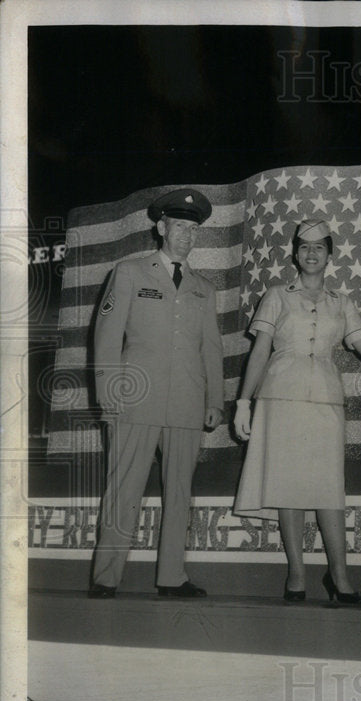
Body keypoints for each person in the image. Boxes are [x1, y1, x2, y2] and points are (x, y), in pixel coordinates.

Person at [232, 219, 361, 603]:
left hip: (326, 400)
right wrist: (243, 401)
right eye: (305, 247)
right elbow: (259, 351)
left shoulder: (342, 302)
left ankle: (339, 577)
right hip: (280, 398)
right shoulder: (277, 295)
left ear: (329, 255)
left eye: (320, 248)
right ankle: (296, 575)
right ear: (295, 253)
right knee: (287, 488)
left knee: (329, 490)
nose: (312, 254)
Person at [89, 188, 224, 598]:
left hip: (186, 401)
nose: (186, 235)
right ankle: (105, 577)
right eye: (179, 226)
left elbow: (211, 348)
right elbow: (107, 336)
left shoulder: (204, 287)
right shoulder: (130, 272)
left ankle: (171, 577)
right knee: (124, 489)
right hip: (135, 397)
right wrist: (108, 391)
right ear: (160, 227)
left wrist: (215, 400)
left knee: (180, 493)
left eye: (193, 228)